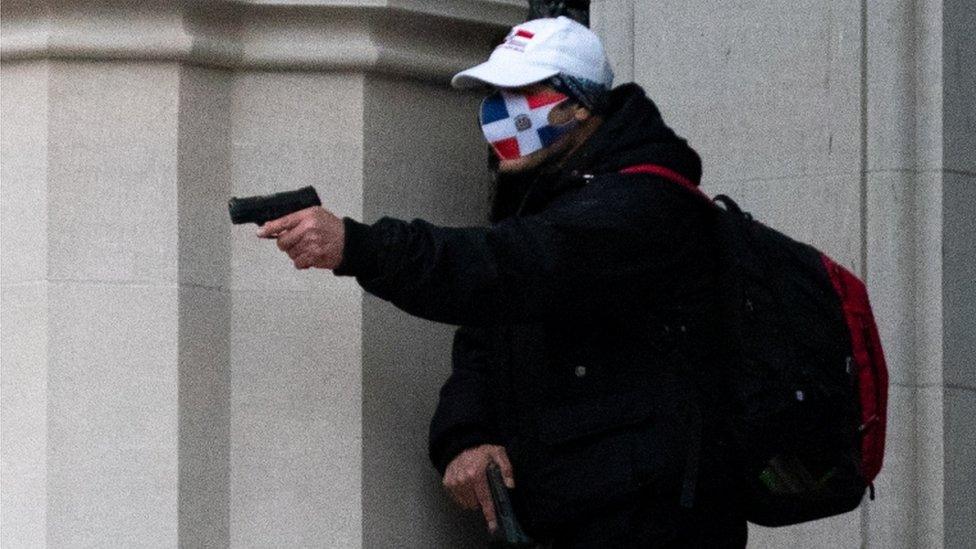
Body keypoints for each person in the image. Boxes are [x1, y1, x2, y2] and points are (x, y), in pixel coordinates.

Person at [257, 16, 747, 548]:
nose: (499, 110)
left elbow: (505, 270)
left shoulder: (640, 204)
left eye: (520, 91)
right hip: (565, 511)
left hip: (652, 519)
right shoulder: (551, 196)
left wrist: (359, 246)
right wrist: (467, 435)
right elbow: (491, 331)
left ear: (579, 105)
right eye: (495, 92)